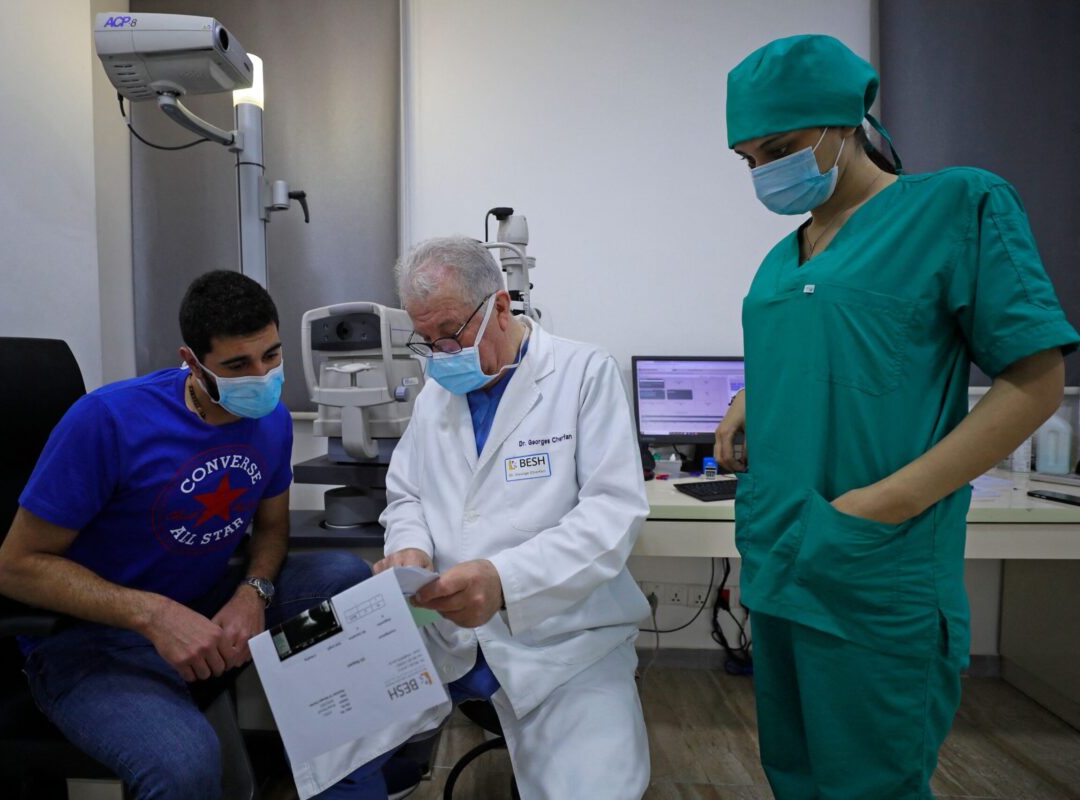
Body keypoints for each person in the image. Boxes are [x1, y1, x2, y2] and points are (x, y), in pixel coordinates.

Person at [714, 34, 1079, 799]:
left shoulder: (956, 205)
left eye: (779, 147)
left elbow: (1036, 382)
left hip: (873, 566)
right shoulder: (785, 257)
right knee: (796, 774)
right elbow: (826, 348)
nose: (765, 172)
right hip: (782, 554)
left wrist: (888, 503)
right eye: (749, 160)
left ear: (845, 122)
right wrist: (753, 396)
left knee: (870, 783)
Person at [0, 270, 389, 799]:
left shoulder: (270, 418)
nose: (262, 376)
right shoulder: (107, 421)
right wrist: (153, 614)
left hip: (204, 602)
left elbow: (271, 528)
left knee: (343, 578)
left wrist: (255, 592)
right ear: (191, 361)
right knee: (185, 768)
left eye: (271, 355)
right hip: (93, 642)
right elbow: (15, 568)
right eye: (237, 365)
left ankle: (341, 774)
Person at [370, 235, 652, 799]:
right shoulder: (435, 394)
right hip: (439, 630)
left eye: (450, 333)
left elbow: (613, 514)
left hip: (564, 642)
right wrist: (409, 549)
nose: (441, 354)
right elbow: (406, 495)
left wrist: (505, 581)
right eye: (425, 341)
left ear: (500, 306)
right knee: (330, 742)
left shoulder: (582, 373)